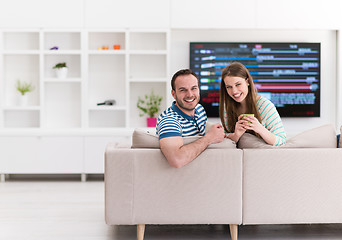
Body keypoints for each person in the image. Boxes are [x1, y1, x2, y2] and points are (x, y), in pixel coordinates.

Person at [156, 69, 225, 168]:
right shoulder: (169, 121)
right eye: (183, 90)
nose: (190, 95)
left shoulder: (199, 109)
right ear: (173, 94)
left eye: (194, 88)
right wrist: (209, 138)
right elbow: (177, 160)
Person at [219, 62, 286, 146]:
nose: (234, 91)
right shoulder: (227, 107)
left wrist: (259, 129)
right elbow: (225, 137)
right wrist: (236, 135)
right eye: (229, 87)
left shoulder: (265, 106)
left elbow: (281, 140)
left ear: (247, 82)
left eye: (238, 84)